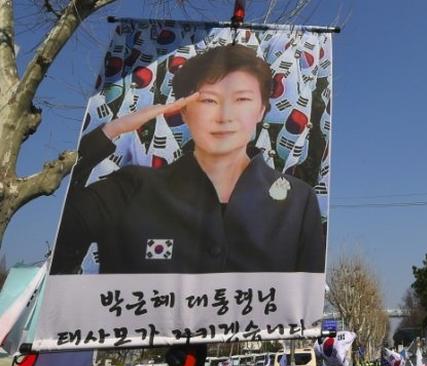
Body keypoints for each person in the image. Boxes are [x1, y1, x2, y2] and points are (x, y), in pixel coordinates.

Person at [51, 44, 325, 275]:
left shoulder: (298, 203)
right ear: (183, 111)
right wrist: (112, 130)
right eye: (208, 101)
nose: (224, 116)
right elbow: (66, 226)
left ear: (262, 110)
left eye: (242, 100)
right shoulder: (131, 189)